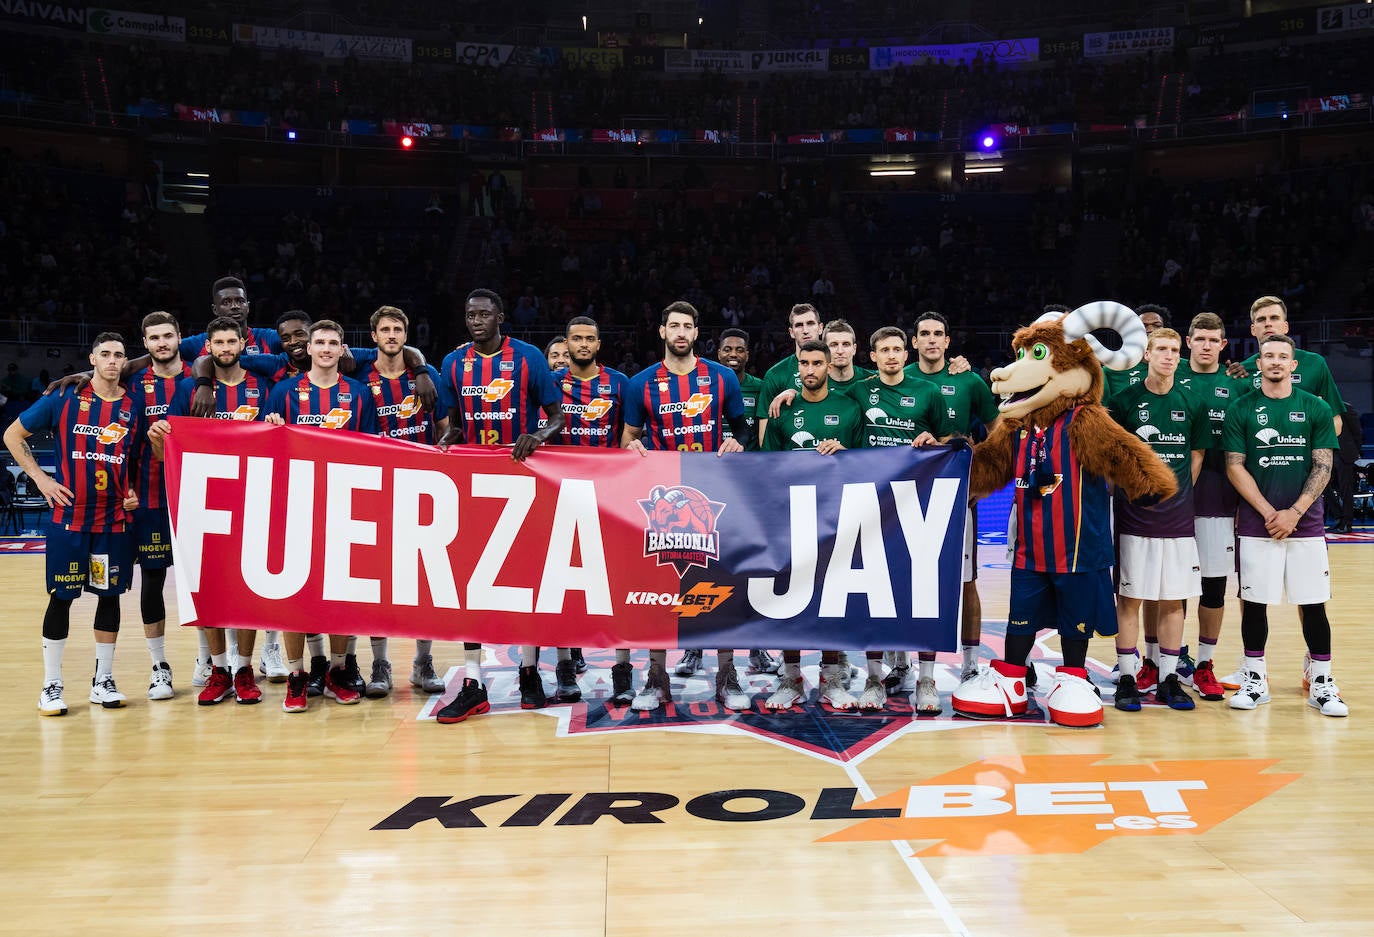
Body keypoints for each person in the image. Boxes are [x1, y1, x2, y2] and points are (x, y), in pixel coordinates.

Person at [433, 289, 564, 724]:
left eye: (484, 314)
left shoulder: (528, 357)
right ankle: (473, 682)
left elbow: (558, 414)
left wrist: (539, 436)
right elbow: (454, 426)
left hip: (523, 482)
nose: (476, 320)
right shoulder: (453, 364)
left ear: (500, 317)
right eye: (469, 314)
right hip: (472, 486)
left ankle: (529, 671)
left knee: (526, 578)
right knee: (469, 583)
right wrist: (447, 441)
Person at [621, 301, 747, 712]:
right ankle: (656, 676)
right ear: (661, 331)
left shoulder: (722, 377)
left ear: (696, 333)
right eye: (672, 325)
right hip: (664, 502)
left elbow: (743, 429)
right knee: (659, 588)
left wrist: (736, 441)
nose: (680, 332)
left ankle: (727, 674)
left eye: (687, 326)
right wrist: (632, 448)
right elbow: (628, 438)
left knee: (721, 585)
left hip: (712, 496)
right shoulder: (640, 383)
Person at [4, 333, 139, 715]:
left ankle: (103, 681)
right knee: (62, 598)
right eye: (106, 354)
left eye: (119, 355)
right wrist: (41, 479)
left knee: (109, 597)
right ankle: (51, 685)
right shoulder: (63, 398)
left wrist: (131, 491)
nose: (112, 361)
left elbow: (137, 457)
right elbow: (12, 435)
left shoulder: (133, 406)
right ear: (92, 359)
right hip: (69, 520)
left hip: (112, 521)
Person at [147, 316, 272, 705]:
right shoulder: (189, 389)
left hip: (252, 497)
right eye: (217, 342)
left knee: (250, 589)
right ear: (208, 348)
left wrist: (275, 423)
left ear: (242, 345)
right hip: (203, 500)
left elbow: (278, 441)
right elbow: (167, 447)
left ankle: (246, 668)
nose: (224, 348)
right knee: (211, 589)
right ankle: (220, 669)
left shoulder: (262, 387)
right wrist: (158, 437)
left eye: (231, 341)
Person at [1222, 334, 1346, 717]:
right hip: (1258, 526)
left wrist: (1294, 511)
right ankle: (1255, 677)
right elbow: (1234, 465)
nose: (1275, 362)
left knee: (1313, 604)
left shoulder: (1316, 407)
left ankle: (1322, 682)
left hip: (1305, 525)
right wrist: (1267, 512)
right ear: (1258, 364)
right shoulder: (1241, 408)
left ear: (1294, 365)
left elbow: (1322, 465)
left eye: (1282, 357)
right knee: (1254, 604)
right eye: (1268, 356)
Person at [264, 320, 379, 713]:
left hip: (344, 507)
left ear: (342, 348)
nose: (326, 348)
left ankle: (339, 671)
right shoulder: (283, 393)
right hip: (295, 503)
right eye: (320, 342)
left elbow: (372, 453)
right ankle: (297, 676)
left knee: (341, 596)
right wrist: (270, 427)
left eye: (333, 342)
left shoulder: (360, 395)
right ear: (308, 349)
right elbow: (265, 447)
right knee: (295, 596)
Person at [1107, 328, 1211, 712]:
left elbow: (1195, 456)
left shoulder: (1193, 401)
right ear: (1146, 353)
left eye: (1173, 350)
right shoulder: (1124, 401)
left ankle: (1168, 678)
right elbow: (1114, 458)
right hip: (1135, 518)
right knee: (1130, 598)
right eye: (1161, 349)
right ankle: (1129, 677)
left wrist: (1175, 492)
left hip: (1179, 519)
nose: (1168, 356)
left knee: (1173, 600)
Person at [761, 340, 867, 709]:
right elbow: (767, 468)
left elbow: (868, 464)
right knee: (790, 598)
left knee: (831, 598)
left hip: (834, 516)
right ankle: (790, 679)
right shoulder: (782, 411)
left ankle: (832, 678)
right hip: (791, 516)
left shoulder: (850, 407)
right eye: (804, 363)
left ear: (828, 366)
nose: (809, 369)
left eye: (817, 363)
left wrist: (846, 454)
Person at [907, 311, 1001, 688]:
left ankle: (971, 662)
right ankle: (901, 662)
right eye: (924, 333)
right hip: (904, 495)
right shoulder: (896, 375)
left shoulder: (968, 380)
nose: (931, 339)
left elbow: (999, 431)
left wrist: (981, 478)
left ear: (948, 342)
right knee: (905, 578)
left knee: (966, 580)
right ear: (914, 342)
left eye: (938, 334)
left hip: (955, 496)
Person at [361, 305, 448, 698]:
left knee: (424, 581)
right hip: (377, 490)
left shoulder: (428, 380)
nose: (392, 335)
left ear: (406, 335)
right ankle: (380, 663)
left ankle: (422, 662)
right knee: (379, 583)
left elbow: (447, 431)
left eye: (398, 329)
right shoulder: (358, 376)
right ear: (374, 336)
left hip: (425, 490)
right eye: (385, 330)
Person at [858, 325, 946, 712]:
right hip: (873, 506)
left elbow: (952, 443)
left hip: (919, 505)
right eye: (884, 350)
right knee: (873, 593)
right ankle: (874, 678)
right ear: (873, 357)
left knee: (924, 590)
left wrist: (935, 442)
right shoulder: (858, 390)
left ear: (905, 355)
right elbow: (820, 395)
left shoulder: (927, 392)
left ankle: (926, 681)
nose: (892, 355)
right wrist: (790, 392)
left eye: (897, 349)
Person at [553, 315, 629, 696]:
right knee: (562, 585)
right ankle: (565, 665)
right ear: (566, 344)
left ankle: (623, 669)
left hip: (608, 496)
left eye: (590, 339)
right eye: (576, 338)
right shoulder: (550, 384)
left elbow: (632, 436)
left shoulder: (619, 384)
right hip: (559, 494)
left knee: (615, 584)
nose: (583, 344)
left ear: (599, 344)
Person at [1176, 312, 1245, 699]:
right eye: (1198, 338)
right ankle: (1162, 661)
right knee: (1169, 589)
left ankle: (1204, 664)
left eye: (1212, 340)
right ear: (1189, 342)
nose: (1205, 345)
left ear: (1223, 345)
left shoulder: (1237, 385)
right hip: (1174, 502)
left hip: (1219, 500)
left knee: (1213, 588)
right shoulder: (1171, 376)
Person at [125, 311, 192, 702]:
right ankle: (159, 667)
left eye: (168, 335)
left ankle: (211, 660)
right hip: (150, 496)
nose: (162, 343)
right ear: (146, 343)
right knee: (153, 579)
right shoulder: (135, 383)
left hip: (197, 495)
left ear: (180, 336)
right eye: (154, 338)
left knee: (206, 577)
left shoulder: (203, 377)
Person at [1229, 296, 1345, 437]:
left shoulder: (1314, 363)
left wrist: (1301, 444)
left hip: (1304, 455)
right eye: (1261, 319)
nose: (1268, 324)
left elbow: (1336, 423)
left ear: (1286, 327)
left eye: (1274, 318)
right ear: (1253, 329)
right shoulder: (1243, 370)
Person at [755, 303, 823, 446]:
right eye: (799, 325)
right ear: (791, 332)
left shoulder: (833, 369)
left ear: (820, 328)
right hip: (790, 462)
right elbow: (764, 438)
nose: (805, 330)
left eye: (810, 323)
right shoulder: (775, 374)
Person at [1325, 403, 1361, 534]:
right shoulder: (1319, 406)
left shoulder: (1345, 407)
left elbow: (1357, 430)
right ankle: (1338, 517)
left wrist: (1357, 450)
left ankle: (1347, 523)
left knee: (1346, 489)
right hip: (1327, 452)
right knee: (1323, 486)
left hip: (1345, 452)